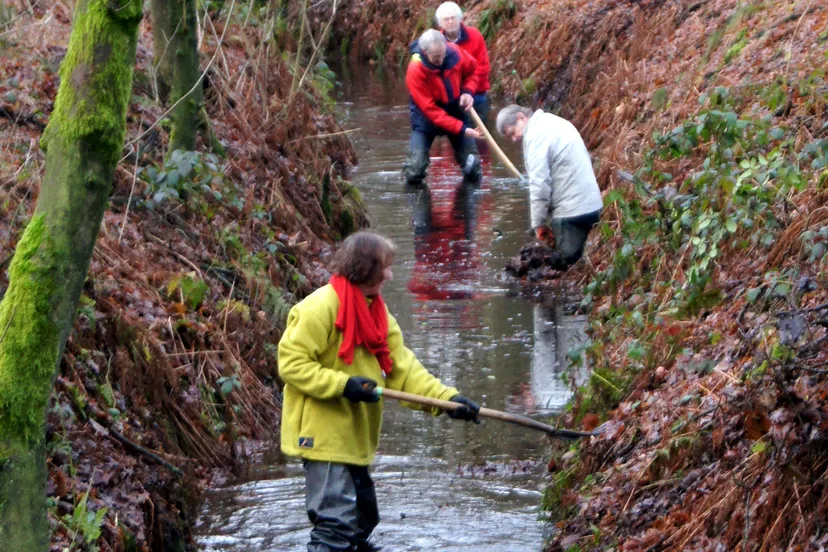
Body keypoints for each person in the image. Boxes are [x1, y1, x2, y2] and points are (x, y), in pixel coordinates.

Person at [278, 231, 481, 552]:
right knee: (335, 524)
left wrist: (448, 400)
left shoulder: (378, 313)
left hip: (353, 436)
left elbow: (403, 370)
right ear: (363, 269)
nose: (389, 274)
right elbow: (291, 365)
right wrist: (344, 385)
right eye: (384, 267)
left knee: (362, 520)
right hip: (321, 435)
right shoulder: (318, 308)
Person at [496, 105, 604, 270]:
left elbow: (539, 186)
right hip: (593, 204)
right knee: (580, 263)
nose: (514, 139)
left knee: (561, 266)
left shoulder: (536, 136)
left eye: (512, 132)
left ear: (521, 118)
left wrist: (538, 224)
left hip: (572, 213)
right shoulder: (553, 122)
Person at [403, 29, 483, 186]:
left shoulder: (456, 53)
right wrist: (462, 129)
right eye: (436, 57)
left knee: (473, 168)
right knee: (415, 170)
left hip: (456, 110)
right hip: (426, 119)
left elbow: (473, 72)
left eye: (442, 55)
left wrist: (467, 92)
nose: (441, 60)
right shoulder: (415, 69)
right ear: (425, 53)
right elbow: (432, 112)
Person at [435, 2, 491, 122]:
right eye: (446, 19)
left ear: (460, 18)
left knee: (479, 135)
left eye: (453, 18)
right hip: (450, 97)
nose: (450, 22)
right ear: (440, 23)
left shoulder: (475, 36)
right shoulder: (436, 42)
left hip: (476, 93)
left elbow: (482, 67)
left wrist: (468, 90)